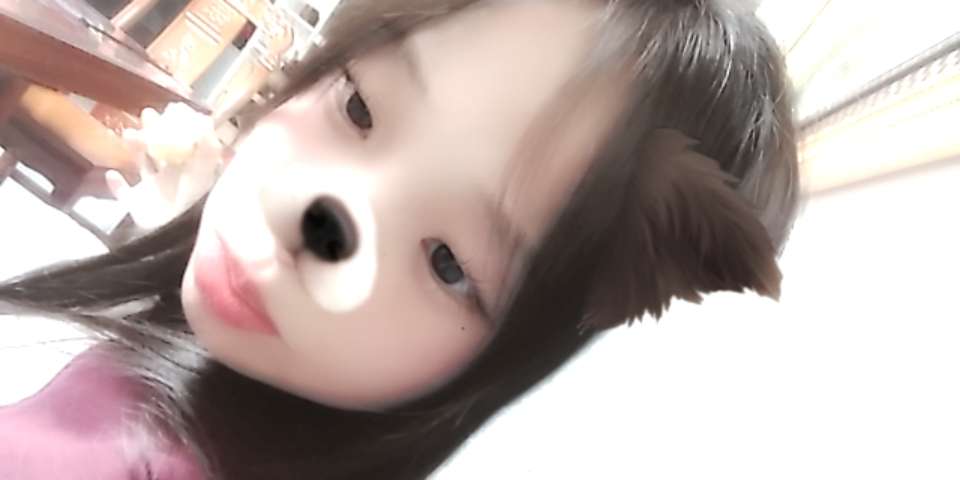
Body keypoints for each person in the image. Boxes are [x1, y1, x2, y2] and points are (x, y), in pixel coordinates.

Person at [0, 0, 799, 478]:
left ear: (514, 364)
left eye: (449, 263)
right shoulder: (239, 380)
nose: (316, 219)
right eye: (359, 108)